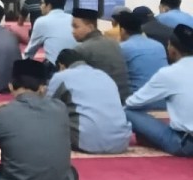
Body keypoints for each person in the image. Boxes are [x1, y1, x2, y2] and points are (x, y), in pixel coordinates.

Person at [122, 24, 193, 157]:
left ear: (173, 49)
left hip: (185, 144)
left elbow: (132, 103)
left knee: (127, 111)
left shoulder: (170, 73)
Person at [47, 49, 132, 154]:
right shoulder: (104, 75)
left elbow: (45, 105)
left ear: (61, 66)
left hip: (88, 142)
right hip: (121, 142)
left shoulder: (61, 76)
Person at [71, 8, 131, 102]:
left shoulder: (82, 49)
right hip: (124, 98)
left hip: (102, 101)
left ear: (90, 27)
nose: (73, 31)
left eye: (76, 27)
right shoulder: (114, 43)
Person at [117, 10, 168, 97]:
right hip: (162, 98)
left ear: (122, 30)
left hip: (137, 99)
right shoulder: (159, 46)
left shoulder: (122, 48)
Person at [25, 0, 78, 65]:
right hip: (77, 64)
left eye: (42, 3)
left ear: (49, 6)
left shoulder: (42, 21)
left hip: (55, 66)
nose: (40, 7)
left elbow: (31, 50)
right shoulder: (73, 18)